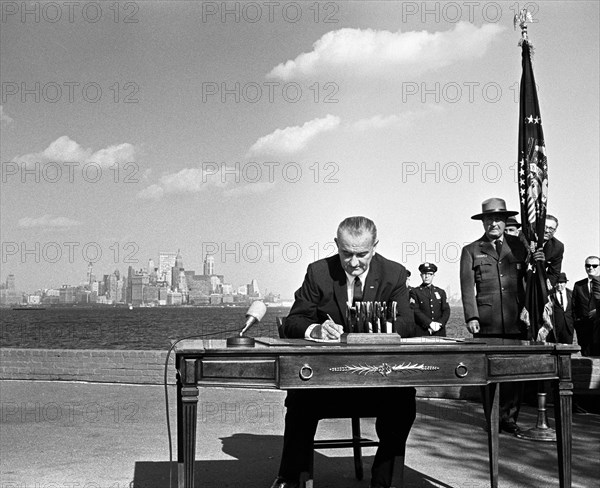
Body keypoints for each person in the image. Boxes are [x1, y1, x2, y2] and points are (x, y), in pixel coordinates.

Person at [272, 216, 415, 488]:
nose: (354, 262)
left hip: (378, 383)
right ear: (337, 244)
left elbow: (407, 324)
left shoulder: (394, 273)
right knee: (299, 401)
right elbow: (293, 321)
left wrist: (367, 328)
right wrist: (315, 329)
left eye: (362, 254)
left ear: (375, 246)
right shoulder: (318, 272)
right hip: (328, 384)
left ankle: (385, 482)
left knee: (404, 401)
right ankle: (291, 479)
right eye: (346, 253)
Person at [459, 197, 531, 434]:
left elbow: (531, 280)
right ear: (483, 222)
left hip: (515, 320)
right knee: (487, 373)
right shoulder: (471, 250)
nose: (494, 224)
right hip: (486, 322)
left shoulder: (521, 246)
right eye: (489, 219)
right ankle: (492, 417)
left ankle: (509, 419)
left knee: (514, 372)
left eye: (498, 219)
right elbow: (467, 287)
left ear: (504, 221)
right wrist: (471, 317)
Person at [409, 262, 450, 337]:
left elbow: (446, 310)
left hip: (439, 331)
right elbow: (415, 310)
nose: (427, 276)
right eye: (424, 274)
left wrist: (440, 324)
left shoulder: (441, 292)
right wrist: (429, 323)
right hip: (422, 331)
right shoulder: (415, 292)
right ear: (421, 275)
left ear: (433, 275)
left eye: (430, 274)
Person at [572, 256, 600, 356]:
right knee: (585, 360)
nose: (590, 268)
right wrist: (577, 324)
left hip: (599, 329)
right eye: (588, 265)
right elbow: (574, 306)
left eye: (594, 266)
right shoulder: (578, 285)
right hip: (584, 331)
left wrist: (598, 312)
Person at [548, 272, 574, 344]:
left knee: (568, 350)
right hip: (555, 329)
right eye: (557, 282)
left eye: (561, 282)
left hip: (568, 328)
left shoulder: (571, 294)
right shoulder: (550, 295)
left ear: (565, 283)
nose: (559, 285)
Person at [541, 215, 564, 289]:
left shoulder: (557, 247)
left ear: (555, 231)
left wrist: (545, 288)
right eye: (544, 227)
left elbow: (554, 272)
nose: (547, 231)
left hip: (538, 282)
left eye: (551, 228)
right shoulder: (524, 238)